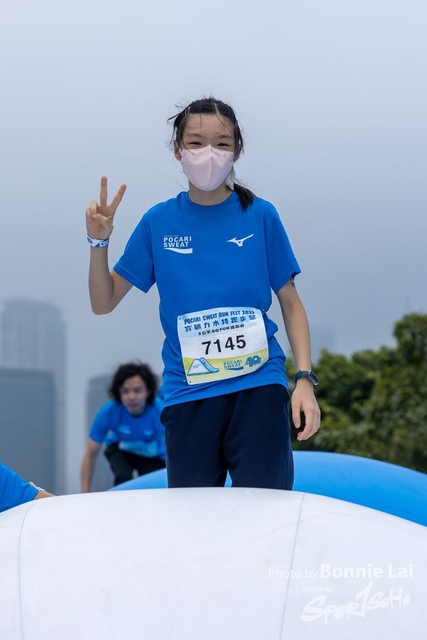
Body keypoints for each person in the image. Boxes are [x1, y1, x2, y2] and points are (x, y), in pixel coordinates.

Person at [86, 96, 321, 490]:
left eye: (221, 143)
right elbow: (103, 302)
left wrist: (304, 380)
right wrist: (98, 243)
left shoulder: (261, 215)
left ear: (237, 150)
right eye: (195, 142)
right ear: (178, 150)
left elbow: (291, 303)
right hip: (187, 394)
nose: (208, 153)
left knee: (266, 512)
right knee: (193, 519)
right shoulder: (158, 222)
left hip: (258, 387)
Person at [81, 362, 165, 491]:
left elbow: (177, 446)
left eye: (137, 390)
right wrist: (84, 494)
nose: (131, 397)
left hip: (151, 455)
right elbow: (90, 455)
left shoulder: (159, 411)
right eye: (126, 391)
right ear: (118, 392)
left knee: (153, 483)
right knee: (123, 477)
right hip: (120, 450)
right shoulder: (109, 412)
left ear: (148, 391)